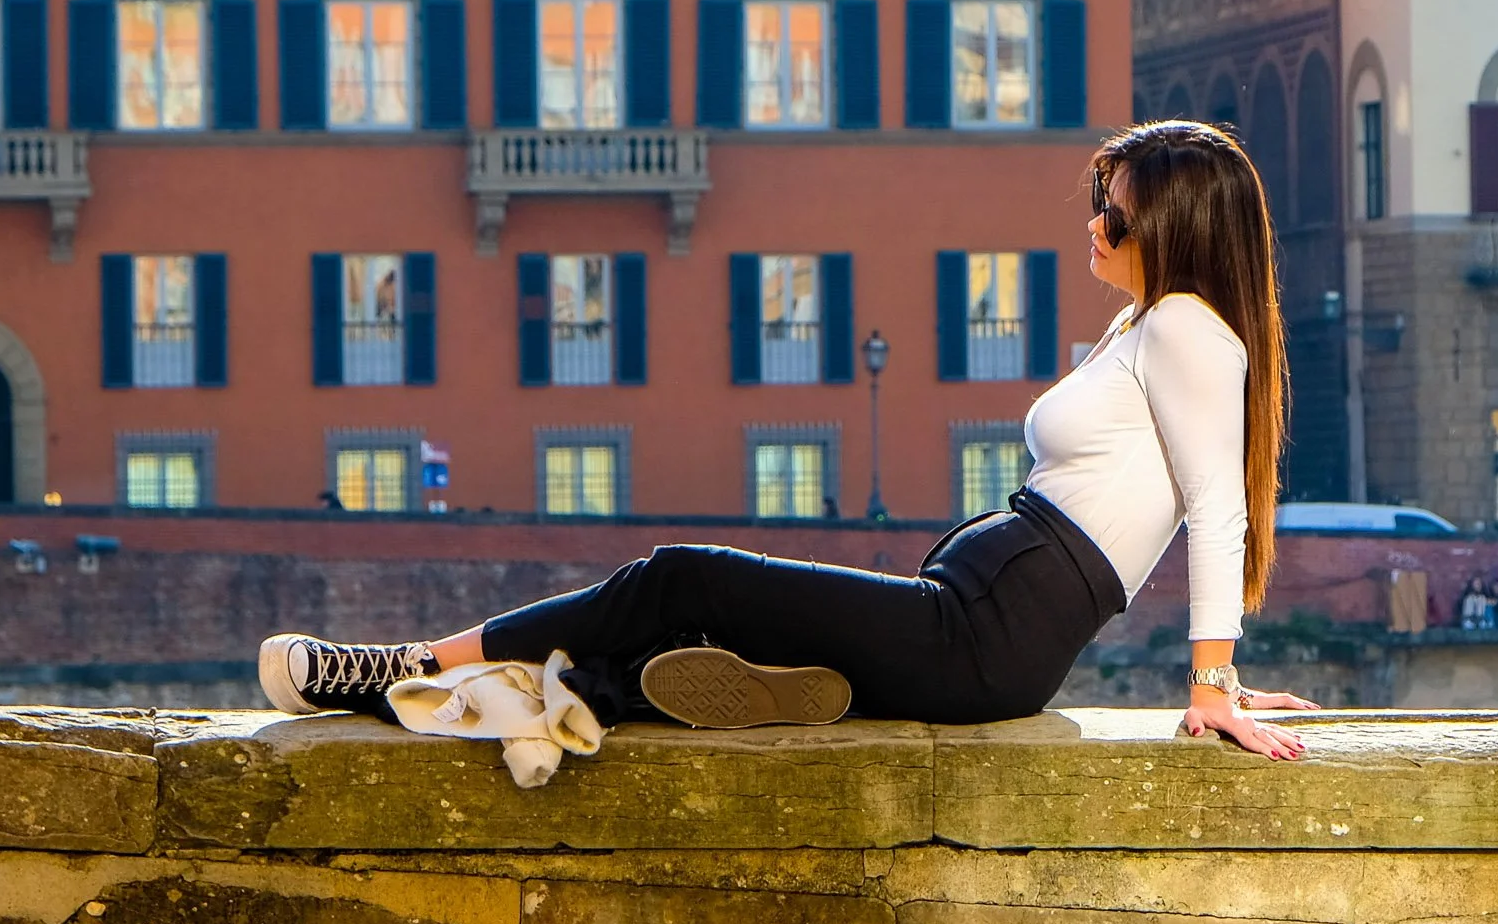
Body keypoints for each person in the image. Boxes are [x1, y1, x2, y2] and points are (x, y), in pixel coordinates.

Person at [259, 121, 1314, 761]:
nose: (1094, 226)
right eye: (1099, 202)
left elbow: (1217, 504)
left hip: (983, 636)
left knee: (684, 574)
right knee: (696, 642)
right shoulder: (1149, 324)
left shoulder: (1184, 329)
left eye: (1118, 218)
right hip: (976, 622)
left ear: (1175, 235)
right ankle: (559, 696)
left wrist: (1212, 681)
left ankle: (401, 666)